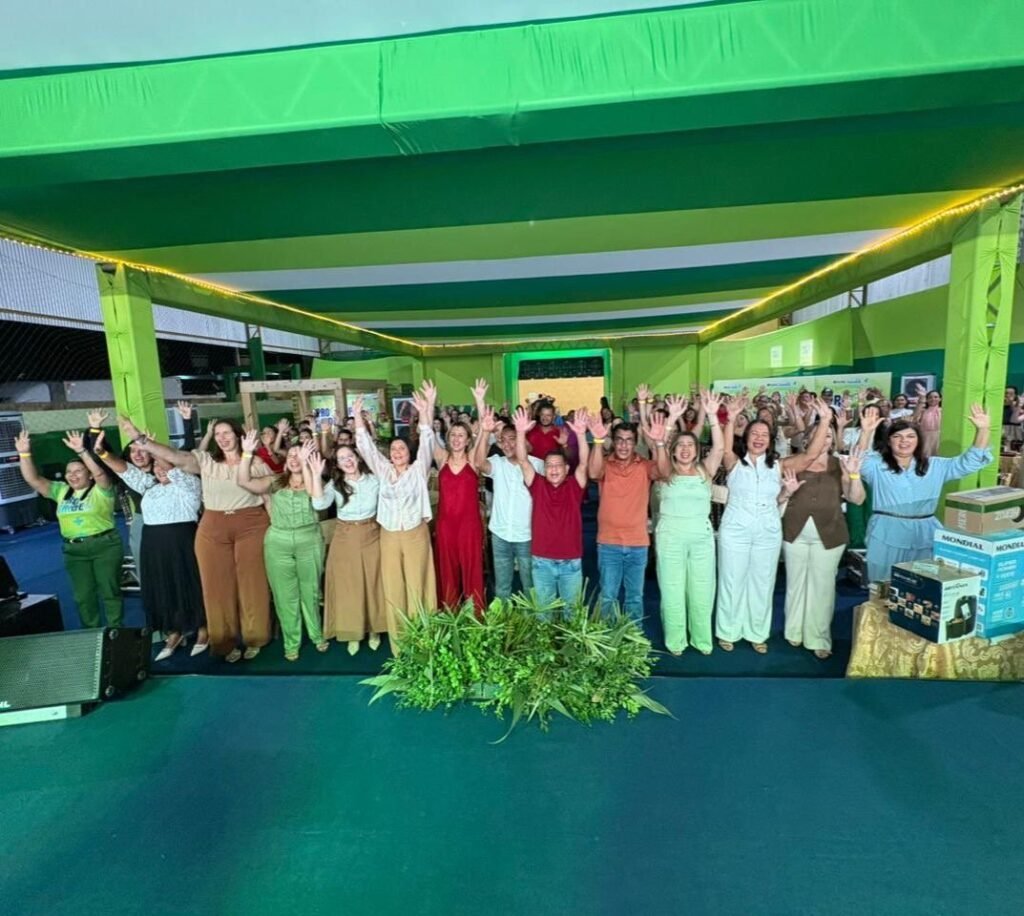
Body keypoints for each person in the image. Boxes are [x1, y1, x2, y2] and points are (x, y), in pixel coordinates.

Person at [129, 417, 272, 663]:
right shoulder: (206, 461)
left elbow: (269, 496)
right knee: (215, 587)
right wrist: (142, 441)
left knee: (252, 583)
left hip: (251, 525)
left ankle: (254, 638)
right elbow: (176, 456)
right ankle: (224, 641)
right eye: (218, 434)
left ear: (238, 435)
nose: (222, 438)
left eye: (227, 432)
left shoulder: (256, 463)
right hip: (213, 527)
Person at [716, 395, 833, 653]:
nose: (759, 438)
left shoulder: (779, 466)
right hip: (735, 529)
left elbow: (810, 455)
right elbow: (723, 449)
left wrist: (824, 420)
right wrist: (731, 418)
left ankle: (757, 633)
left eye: (764, 435)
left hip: (767, 530)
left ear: (770, 441)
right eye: (754, 434)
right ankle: (728, 631)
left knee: (763, 581)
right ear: (746, 438)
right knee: (731, 579)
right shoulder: (734, 463)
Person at [95, 429, 207, 659]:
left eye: (163, 465)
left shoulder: (189, 484)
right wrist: (103, 453)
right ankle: (174, 631)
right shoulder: (149, 487)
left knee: (190, 584)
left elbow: (171, 468)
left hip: (182, 542)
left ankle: (204, 628)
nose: (160, 469)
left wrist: (149, 446)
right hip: (153, 545)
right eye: (156, 466)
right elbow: (125, 470)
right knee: (163, 586)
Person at [849, 405, 993, 583]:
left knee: (923, 585)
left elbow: (969, 462)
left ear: (919, 441)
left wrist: (983, 430)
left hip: (926, 533)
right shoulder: (877, 466)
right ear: (889, 441)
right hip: (885, 531)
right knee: (882, 584)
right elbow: (857, 460)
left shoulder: (936, 466)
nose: (904, 441)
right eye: (897, 436)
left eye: (911, 436)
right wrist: (866, 432)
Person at [16, 426, 124, 628]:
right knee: (83, 596)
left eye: (78, 471)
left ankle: (115, 631)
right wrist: (24, 454)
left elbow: (100, 473)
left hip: (105, 546)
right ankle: (91, 633)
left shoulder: (102, 490)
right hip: (74, 551)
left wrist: (82, 451)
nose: (72, 475)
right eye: (69, 472)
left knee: (110, 591)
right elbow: (33, 479)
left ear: (89, 475)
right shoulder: (60, 490)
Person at [354, 384, 438, 645]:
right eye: (393, 450)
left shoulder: (418, 470)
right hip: (389, 535)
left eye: (402, 449)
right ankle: (400, 643)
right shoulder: (383, 470)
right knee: (394, 587)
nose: (397, 453)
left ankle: (423, 640)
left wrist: (426, 410)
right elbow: (366, 448)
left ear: (409, 453)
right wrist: (357, 417)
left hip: (415, 534)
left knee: (417, 584)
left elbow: (427, 441)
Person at [238, 434, 328, 662]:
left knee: (311, 591)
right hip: (278, 541)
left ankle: (317, 635)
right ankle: (291, 642)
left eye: (300, 455)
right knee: (284, 594)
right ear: (285, 461)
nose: (295, 458)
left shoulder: (316, 479)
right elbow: (244, 481)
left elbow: (316, 498)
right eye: (291, 455)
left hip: (309, 539)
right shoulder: (274, 481)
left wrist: (307, 466)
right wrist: (246, 453)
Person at [587, 388, 675, 622]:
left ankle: (632, 638)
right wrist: (597, 441)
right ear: (613, 442)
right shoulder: (605, 463)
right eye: (619, 440)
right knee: (608, 596)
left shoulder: (644, 465)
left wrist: (659, 443)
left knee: (635, 597)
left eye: (629, 441)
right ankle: (605, 638)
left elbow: (665, 473)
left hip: (637, 543)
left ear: (635, 443)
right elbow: (593, 473)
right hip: (609, 542)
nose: (624, 446)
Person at [780, 417, 861, 659]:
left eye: (827, 435)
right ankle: (793, 631)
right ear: (807, 440)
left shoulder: (840, 464)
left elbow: (856, 499)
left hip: (830, 534)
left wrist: (854, 476)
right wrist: (786, 492)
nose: (822, 439)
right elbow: (777, 496)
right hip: (793, 531)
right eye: (817, 434)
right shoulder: (793, 463)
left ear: (832, 439)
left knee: (823, 587)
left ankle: (818, 637)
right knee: (795, 583)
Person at [655, 390, 725, 655]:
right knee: (672, 590)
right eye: (680, 445)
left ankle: (701, 639)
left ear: (697, 451)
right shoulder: (665, 471)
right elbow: (658, 444)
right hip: (670, 535)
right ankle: (676, 641)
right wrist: (671, 419)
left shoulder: (705, 470)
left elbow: (719, 448)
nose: (685, 449)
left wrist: (713, 416)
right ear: (673, 450)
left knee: (702, 589)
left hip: (701, 536)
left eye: (690, 445)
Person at [512, 406, 591, 608]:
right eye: (549, 465)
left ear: (566, 468)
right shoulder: (537, 485)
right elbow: (522, 460)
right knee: (543, 616)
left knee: (572, 615)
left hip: (571, 561)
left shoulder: (574, 486)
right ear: (544, 469)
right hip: (542, 562)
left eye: (558, 465)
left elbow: (583, 463)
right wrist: (520, 433)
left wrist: (581, 435)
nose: (553, 469)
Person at [471, 382, 544, 599]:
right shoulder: (497, 463)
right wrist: (486, 432)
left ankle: (533, 619)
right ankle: (503, 618)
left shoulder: (536, 465)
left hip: (526, 535)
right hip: (500, 534)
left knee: (530, 586)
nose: (508, 445)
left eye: (513, 439)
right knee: (502, 587)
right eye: (503, 441)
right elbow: (478, 463)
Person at [313, 442, 385, 655]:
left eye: (350, 456)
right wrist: (316, 476)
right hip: (344, 536)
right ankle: (352, 633)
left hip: (372, 533)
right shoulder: (335, 485)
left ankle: (374, 630)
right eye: (342, 458)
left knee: (373, 582)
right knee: (348, 585)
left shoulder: (374, 480)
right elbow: (319, 505)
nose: (348, 461)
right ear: (337, 464)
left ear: (358, 457)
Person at [431, 385, 485, 610]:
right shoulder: (442, 458)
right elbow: (427, 432)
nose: (456, 438)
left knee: (472, 570)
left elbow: (484, 429)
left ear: (468, 439)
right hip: (446, 525)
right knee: (447, 570)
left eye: (461, 435)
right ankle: (450, 613)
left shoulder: (473, 459)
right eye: (453, 434)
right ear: (448, 437)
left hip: (469, 526)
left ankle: (475, 614)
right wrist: (429, 404)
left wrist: (479, 401)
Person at [912, 383, 942, 457]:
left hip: (940, 437)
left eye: (936, 397)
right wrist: (922, 398)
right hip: (925, 438)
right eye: (930, 397)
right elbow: (914, 418)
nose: (933, 399)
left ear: (940, 399)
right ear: (927, 399)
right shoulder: (923, 411)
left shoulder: (943, 410)